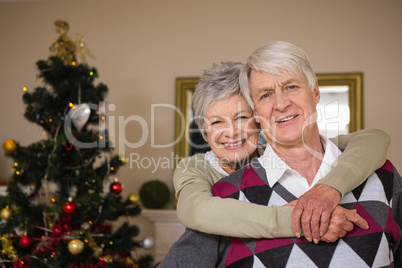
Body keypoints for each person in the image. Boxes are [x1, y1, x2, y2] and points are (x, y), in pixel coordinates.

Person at [160, 42, 401, 267]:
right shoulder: (212, 185)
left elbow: (371, 139)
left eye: (241, 117)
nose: (231, 132)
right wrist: (306, 219)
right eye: (266, 95)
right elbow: (198, 211)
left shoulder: (373, 171)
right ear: (203, 131)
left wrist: (327, 190)